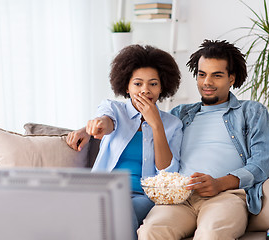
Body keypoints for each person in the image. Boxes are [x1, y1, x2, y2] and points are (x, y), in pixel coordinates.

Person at [137, 39, 269, 240]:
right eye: (202, 75)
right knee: (150, 232)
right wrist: (90, 127)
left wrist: (220, 184)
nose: (207, 83)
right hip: (179, 198)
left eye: (216, 75)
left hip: (225, 196)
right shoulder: (179, 114)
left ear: (231, 79)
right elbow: (132, 123)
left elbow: (263, 163)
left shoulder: (252, 112)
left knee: (211, 235)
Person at [65, 44, 183, 239]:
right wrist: (94, 126)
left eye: (153, 84)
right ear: (126, 86)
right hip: (102, 192)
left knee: (120, 210)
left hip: (144, 198)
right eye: (138, 84)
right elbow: (106, 120)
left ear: (162, 87)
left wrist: (157, 126)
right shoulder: (114, 109)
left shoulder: (172, 124)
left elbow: (167, 174)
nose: (145, 90)